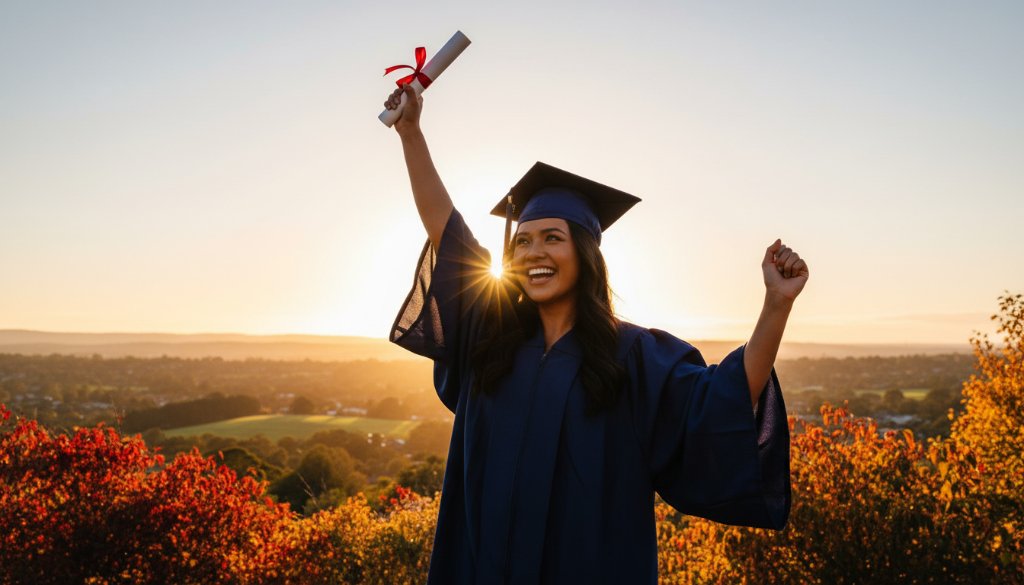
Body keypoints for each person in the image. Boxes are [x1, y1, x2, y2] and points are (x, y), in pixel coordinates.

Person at [384, 84, 806, 584]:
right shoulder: (490, 339)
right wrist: (411, 134)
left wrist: (777, 304)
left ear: (584, 254)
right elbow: (448, 234)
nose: (533, 253)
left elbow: (724, 399)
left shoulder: (633, 355)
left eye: (552, 238)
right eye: (522, 242)